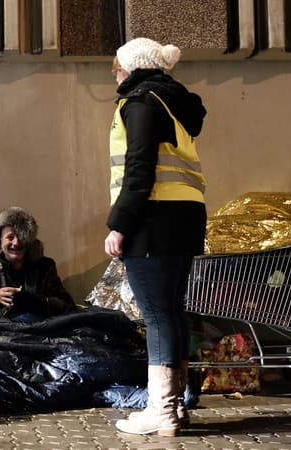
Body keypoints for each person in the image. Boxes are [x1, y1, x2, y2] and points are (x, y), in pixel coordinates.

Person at [103, 38, 207, 436]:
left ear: (130, 67)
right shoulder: (173, 103)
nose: (114, 75)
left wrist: (119, 223)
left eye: (116, 67)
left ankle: (161, 410)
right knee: (172, 312)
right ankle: (175, 408)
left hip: (153, 220)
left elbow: (139, 168)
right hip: (184, 216)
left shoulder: (141, 102)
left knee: (158, 315)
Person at [0, 206, 76, 322]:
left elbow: (67, 307)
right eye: (10, 237)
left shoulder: (45, 267)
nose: (16, 243)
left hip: (36, 336)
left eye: (21, 236)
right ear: (0, 240)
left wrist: (37, 301)